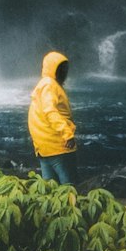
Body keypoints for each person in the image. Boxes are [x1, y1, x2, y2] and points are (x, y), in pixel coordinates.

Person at [28, 50, 78, 184]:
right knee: (69, 188)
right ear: (53, 69)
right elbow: (50, 111)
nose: (64, 73)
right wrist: (67, 133)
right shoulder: (49, 85)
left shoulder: (43, 85)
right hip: (58, 145)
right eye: (61, 69)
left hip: (44, 147)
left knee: (50, 188)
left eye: (65, 69)